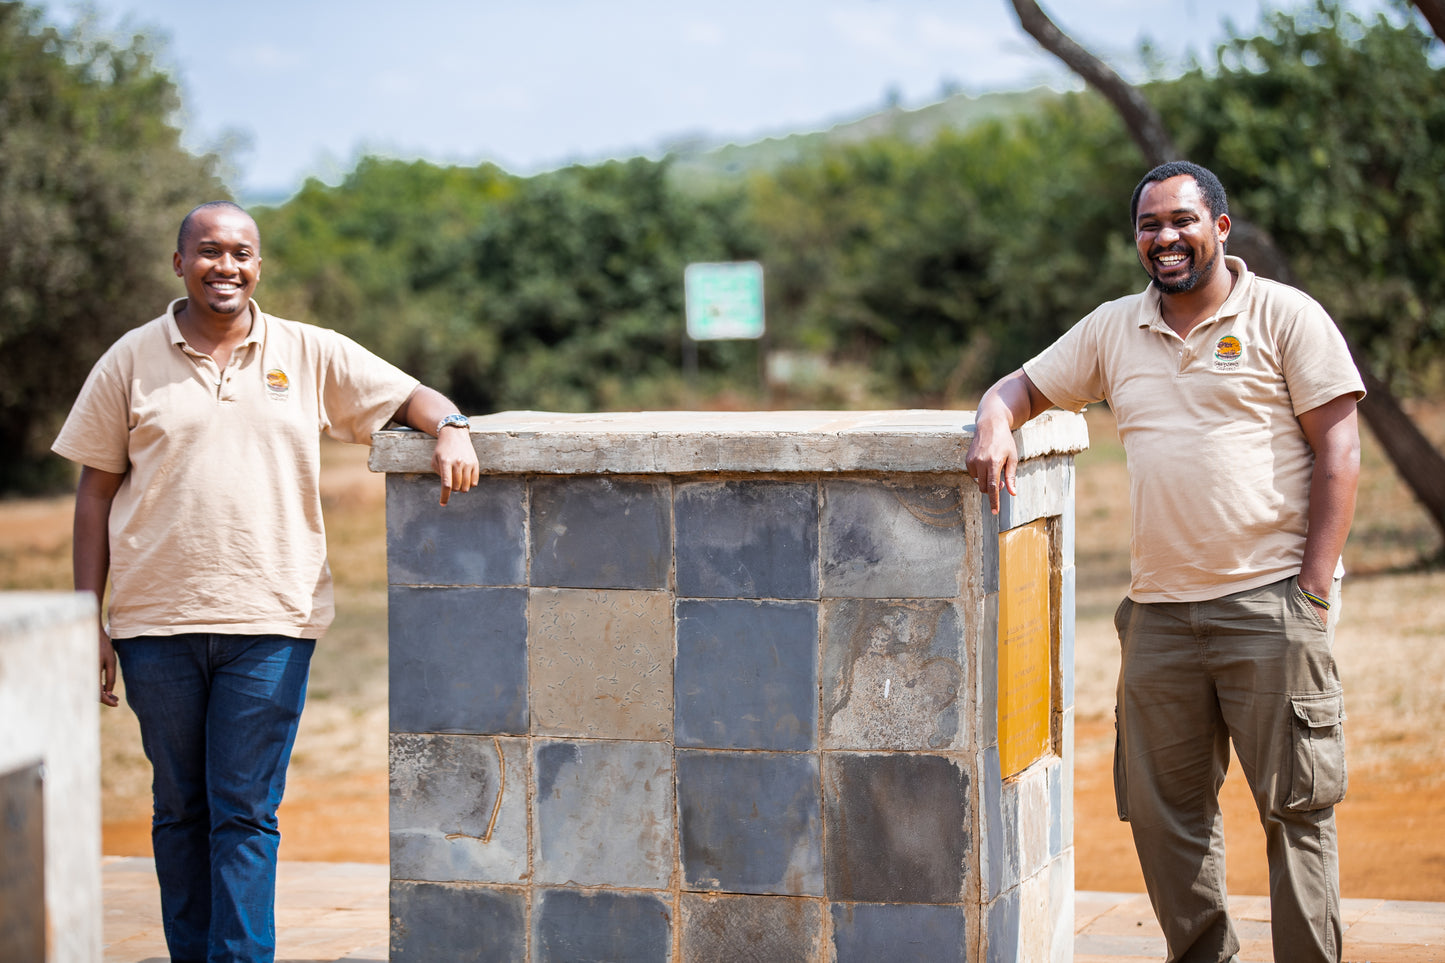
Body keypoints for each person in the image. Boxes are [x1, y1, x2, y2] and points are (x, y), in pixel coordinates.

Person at [53, 200, 481, 963]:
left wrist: (452, 428)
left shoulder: (306, 351)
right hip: (154, 624)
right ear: (178, 263)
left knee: (245, 809)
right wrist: (88, 619)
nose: (228, 266)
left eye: (242, 253)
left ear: (259, 265)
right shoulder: (129, 358)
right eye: (210, 251)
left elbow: (414, 396)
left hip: (273, 621)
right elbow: (93, 491)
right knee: (179, 807)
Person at [967, 161, 1363, 963]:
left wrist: (1311, 592)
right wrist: (991, 421)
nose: (1165, 237)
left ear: (1219, 227)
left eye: (1181, 220)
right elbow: (1020, 386)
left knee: (1294, 811)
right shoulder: (1115, 328)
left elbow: (1339, 450)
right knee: (1162, 814)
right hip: (1159, 617)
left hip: (1270, 605)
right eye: (1149, 225)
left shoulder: (1285, 316)